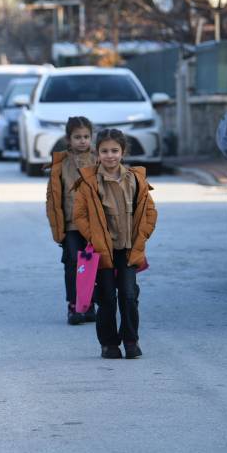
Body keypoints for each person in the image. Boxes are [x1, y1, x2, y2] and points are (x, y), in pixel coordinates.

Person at [73, 128, 158, 360]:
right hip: (103, 251)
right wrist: (94, 236)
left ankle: (131, 340)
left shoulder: (135, 180)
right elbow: (79, 214)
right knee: (107, 298)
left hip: (130, 248)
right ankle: (109, 344)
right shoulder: (89, 182)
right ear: (97, 153)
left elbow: (150, 211)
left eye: (114, 151)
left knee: (129, 295)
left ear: (123, 152)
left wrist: (143, 235)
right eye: (104, 151)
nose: (110, 156)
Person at [45, 116, 97, 325]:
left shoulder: (99, 159)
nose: (82, 141)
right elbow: (53, 199)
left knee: (94, 264)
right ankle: (74, 305)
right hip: (71, 224)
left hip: (96, 224)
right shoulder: (61, 165)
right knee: (73, 263)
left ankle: (90, 303)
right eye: (77, 137)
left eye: (86, 136)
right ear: (68, 139)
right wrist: (57, 228)